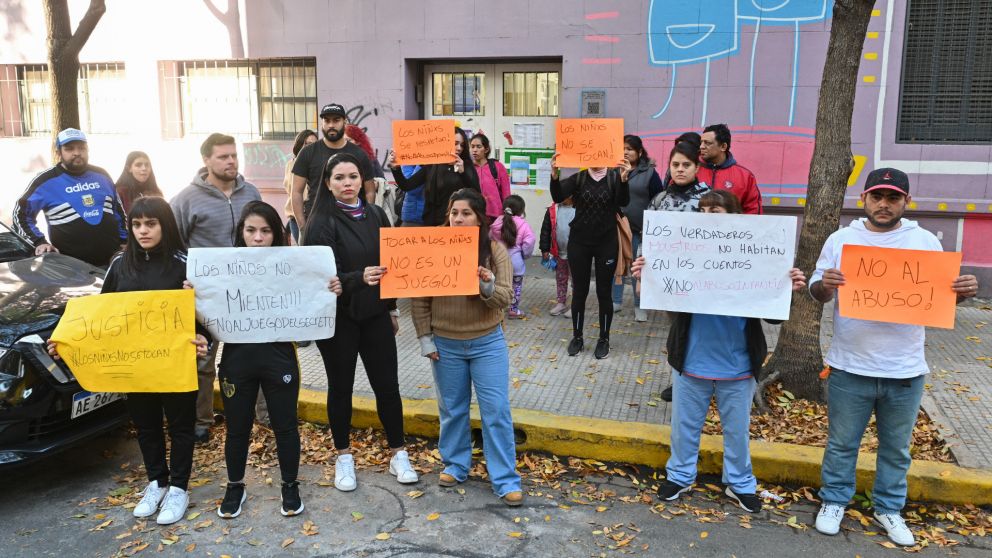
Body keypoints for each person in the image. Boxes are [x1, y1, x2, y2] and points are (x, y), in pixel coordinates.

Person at [809, 168, 979, 547]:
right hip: (849, 365)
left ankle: (888, 508)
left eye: (893, 198)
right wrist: (825, 285)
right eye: (877, 197)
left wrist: (963, 290)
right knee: (841, 443)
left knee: (896, 448)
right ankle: (834, 500)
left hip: (905, 368)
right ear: (864, 199)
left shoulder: (923, 241)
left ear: (906, 201)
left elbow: (943, 296)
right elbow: (815, 290)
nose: (883, 205)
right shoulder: (842, 239)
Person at [632, 190, 806, 513]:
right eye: (704, 209)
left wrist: (787, 288)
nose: (709, 214)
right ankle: (680, 475)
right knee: (684, 425)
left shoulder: (753, 254)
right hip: (691, 360)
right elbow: (661, 299)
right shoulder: (684, 249)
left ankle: (740, 483)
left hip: (738, 363)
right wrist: (648, 276)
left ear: (735, 216)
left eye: (717, 209)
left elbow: (772, 314)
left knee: (737, 430)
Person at [48, 197, 209, 525]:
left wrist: (203, 337)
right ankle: (157, 482)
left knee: (180, 427)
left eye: (151, 223)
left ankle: (178, 488)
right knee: (147, 426)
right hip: (136, 368)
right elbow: (100, 317)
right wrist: (66, 342)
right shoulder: (120, 265)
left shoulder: (185, 264)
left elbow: (206, 317)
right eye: (136, 224)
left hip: (174, 365)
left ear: (165, 224)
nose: (143, 231)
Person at [206, 201, 341, 518]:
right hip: (236, 361)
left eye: (265, 231)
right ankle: (235, 485)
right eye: (250, 230)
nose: (257, 237)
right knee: (237, 428)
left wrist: (330, 288)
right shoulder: (223, 269)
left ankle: (290, 485)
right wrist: (193, 292)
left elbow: (311, 300)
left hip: (279, 358)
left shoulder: (292, 266)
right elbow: (206, 309)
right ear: (241, 232)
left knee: (285, 426)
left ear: (276, 234)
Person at [301, 153, 417, 492]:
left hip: (376, 314)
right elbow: (321, 277)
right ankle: (344, 457)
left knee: (388, 387)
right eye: (339, 178)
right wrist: (356, 279)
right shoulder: (319, 222)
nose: (347, 183)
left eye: (353, 176)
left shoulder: (377, 214)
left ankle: (398, 452)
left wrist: (393, 308)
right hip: (338, 320)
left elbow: (391, 265)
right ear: (327, 183)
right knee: (341, 389)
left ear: (362, 180)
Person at [411, 188, 523, 506]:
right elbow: (420, 297)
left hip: (487, 342)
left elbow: (506, 299)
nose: (458, 219)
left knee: (496, 410)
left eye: (466, 213)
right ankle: (456, 464)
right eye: (454, 213)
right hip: (445, 344)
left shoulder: (493, 250)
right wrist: (425, 339)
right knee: (452, 409)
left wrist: (485, 284)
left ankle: (504, 478)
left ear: (479, 218)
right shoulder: (433, 247)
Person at [170, 133, 262, 443]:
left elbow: (265, 235)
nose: (231, 161)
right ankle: (201, 420)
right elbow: (175, 246)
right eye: (223, 156)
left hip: (247, 293)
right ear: (206, 160)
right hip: (206, 298)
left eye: (234, 155)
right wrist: (189, 277)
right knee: (203, 360)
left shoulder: (251, 192)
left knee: (256, 354)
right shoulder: (185, 200)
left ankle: (264, 416)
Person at [550, 155, 632, 360]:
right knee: (580, 291)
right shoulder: (579, 178)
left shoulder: (614, 177)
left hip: (606, 243)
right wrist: (554, 174)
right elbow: (558, 196)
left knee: (604, 292)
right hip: (579, 242)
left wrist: (624, 178)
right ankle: (577, 337)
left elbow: (624, 201)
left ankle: (604, 339)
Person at [13, 128, 127, 267]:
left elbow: (119, 211)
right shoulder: (45, 181)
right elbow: (21, 215)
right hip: (71, 269)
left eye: (82, 148)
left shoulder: (102, 175)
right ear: (58, 152)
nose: (77, 153)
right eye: (69, 148)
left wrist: (125, 240)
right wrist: (39, 242)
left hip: (113, 263)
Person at [291, 103, 376, 228]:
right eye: (327, 120)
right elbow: (296, 192)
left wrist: (365, 220)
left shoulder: (359, 154)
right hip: (316, 223)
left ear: (344, 122)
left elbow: (370, 191)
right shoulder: (307, 152)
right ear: (322, 123)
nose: (331, 125)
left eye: (336, 120)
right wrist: (303, 225)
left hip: (352, 224)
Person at [613, 135, 663, 322]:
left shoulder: (650, 173)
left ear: (639, 152)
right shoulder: (614, 170)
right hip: (617, 228)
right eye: (622, 148)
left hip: (640, 229)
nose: (625, 152)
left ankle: (639, 305)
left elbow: (659, 199)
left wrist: (652, 227)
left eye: (630, 149)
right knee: (616, 266)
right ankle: (615, 301)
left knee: (638, 268)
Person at [389, 127, 480, 226]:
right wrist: (395, 168)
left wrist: (463, 173)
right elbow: (407, 186)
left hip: (460, 223)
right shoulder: (432, 165)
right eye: (455, 143)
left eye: (462, 145)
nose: (459, 148)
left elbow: (477, 194)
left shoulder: (466, 165)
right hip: (434, 224)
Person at [698, 124, 763, 215]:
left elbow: (753, 212)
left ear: (723, 146)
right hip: (694, 229)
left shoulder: (745, 176)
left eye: (707, 143)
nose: (701, 146)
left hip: (732, 229)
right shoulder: (692, 171)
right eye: (701, 142)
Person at [489, 195, 536, 319]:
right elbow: (529, 241)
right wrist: (524, 254)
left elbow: (489, 239)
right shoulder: (523, 224)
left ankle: (497, 309)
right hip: (515, 263)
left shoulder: (497, 221)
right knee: (516, 286)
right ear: (521, 210)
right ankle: (514, 310)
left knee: (498, 286)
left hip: (497, 262)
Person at [540, 196, 575, 317]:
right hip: (559, 252)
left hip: (576, 254)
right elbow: (545, 230)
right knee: (561, 278)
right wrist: (544, 249)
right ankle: (561, 302)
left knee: (576, 279)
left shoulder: (580, 208)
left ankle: (576, 305)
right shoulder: (553, 209)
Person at [284, 129, 317, 244]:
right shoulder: (291, 164)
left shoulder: (318, 165)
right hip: (297, 218)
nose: (311, 148)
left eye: (314, 144)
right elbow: (292, 190)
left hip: (314, 218)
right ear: (299, 145)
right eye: (307, 144)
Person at [469, 133, 511, 222]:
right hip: (474, 215)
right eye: (472, 147)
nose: (474, 150)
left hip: (496, 217)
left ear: (486, 149)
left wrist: (507, 215)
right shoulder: (468, 168)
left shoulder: (497, 167)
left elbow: (506, 193)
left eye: (478, 146)